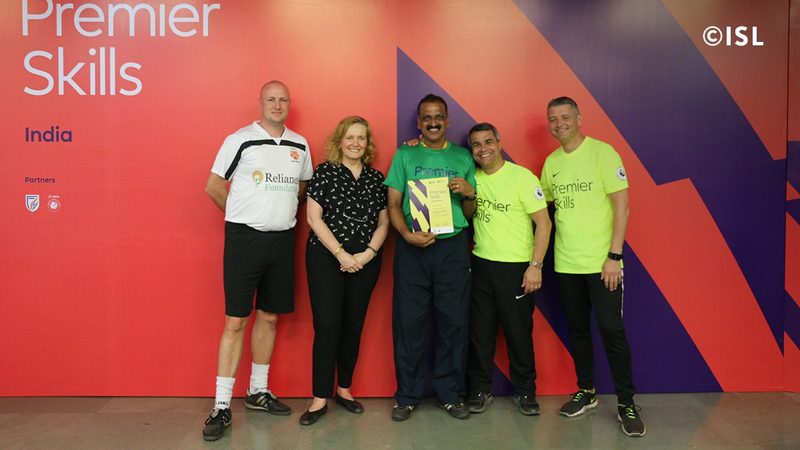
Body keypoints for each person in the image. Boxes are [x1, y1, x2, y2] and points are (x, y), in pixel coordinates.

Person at [201, 81, 313, 441]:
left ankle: (258, 392)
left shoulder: (300, 144)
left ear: (289, 104)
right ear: (260, 103)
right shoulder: (240, 140)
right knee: (236, 321)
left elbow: (302, 188)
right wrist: (241, 216)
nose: (277, 105)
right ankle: (221, 405)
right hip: (244, 239)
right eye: (271, 99)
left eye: (283, 100)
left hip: (282, 241)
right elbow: (214, 186)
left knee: (269, 316)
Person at [540, 96, 645, 437]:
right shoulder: (551, 162)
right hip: (566, 263)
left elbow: (622, 205)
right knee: (578, 331)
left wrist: (614, 256)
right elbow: (543, 208)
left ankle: (627, 403)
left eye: (565, 117)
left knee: (612, 331)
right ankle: (586, 391)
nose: (559, 124)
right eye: (553, 119)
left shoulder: (603, 153)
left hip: (603, 264)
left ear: (579, 118)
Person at [385, 93, 477, 421]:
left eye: (439, 117)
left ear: (447, 121)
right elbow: (393, 203)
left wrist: (470, 194)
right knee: (408, 323)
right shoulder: (405, 154)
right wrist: (405, 234)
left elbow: (470, 212)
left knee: (454, 322)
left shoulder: (463, 157)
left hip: (453, 247)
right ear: (419, 123)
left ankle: (450, 394)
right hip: (412, 248)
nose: (433, 122)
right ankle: (407, 396)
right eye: (427, 117)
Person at [300, 116, 390, 425]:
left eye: (361, 138)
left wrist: (367, 254)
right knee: (327, 325)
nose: (355, 143)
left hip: (365, 261)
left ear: (368, 143)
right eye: (350, 137)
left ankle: (344, 389)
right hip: (326, 259)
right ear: (340, 141)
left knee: (353, 325)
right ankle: (319, 397)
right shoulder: (325, 172)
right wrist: (341, 253)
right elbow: (313, 218)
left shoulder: (376, 179)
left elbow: (384, 223)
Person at [464, 123, 552, 416]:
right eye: (476, 144)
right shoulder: (472, 178)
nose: (483, 149)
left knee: (518, 333)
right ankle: (479, 389)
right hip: (481, 265)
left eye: (488, 142)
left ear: (499, 143)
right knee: (480, 334)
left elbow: (544, 223)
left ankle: (526, 392)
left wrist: (535, 266)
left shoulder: (522, 177)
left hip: (516, 268)